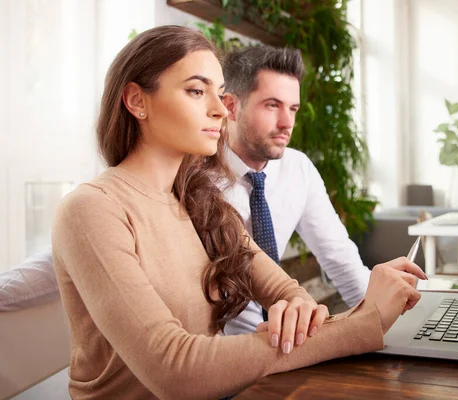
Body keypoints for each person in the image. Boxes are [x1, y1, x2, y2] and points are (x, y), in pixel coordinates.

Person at [51, 25, 424, 399]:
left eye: (219, 92)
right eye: (197, 91)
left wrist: (304, 313)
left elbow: (287, 292)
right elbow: (175, 370)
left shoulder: (202, 202)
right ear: (137, 101)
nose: (218, 110)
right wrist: (366, 321)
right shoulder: (91, 210)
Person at [220, 46, 376, 335]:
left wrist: (384, 319)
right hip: (218, 351)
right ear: (230, 106)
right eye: (272, 105)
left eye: (293, 108)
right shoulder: (194, 175)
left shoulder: (297, 168)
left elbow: (340, 257)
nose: (287, 123)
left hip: (285, 343)